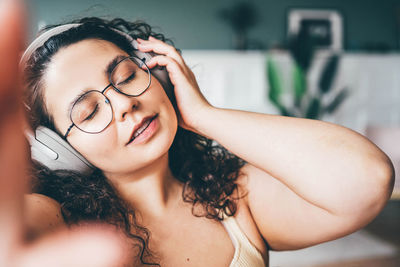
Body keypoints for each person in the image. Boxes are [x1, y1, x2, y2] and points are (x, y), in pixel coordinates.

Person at [1, 0, 395, 266]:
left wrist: (204, 115)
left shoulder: (236, 196)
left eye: (125, 76)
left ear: (157, 75)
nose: (123, 103)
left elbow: (368, 179)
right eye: (88, 112)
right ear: (58, 149)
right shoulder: (60, 221)